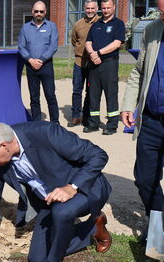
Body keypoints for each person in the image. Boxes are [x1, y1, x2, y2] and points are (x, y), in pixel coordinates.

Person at [0, 120, 112, 262]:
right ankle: (92, 229)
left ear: (4, 145)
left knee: (62, 212)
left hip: (86, 188)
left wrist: (71, 187)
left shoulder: (45, 133)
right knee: (37, 259)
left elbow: (99, 155)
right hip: (50, 201)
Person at [121, 0, 164, 242]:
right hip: (151, 120)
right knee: (145, 178)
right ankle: (159, 224)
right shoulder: (152, 29)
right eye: (160, 12)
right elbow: (139, 70)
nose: (161, 16)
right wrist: (129, 104)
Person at [84, 0, 125, 135]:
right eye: (103, 8)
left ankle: (112, 126)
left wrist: (99, 53)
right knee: (93, 95)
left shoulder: (119, 24)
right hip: (94, 64)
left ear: (113, 7)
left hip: (109, 63)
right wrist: (92, 54)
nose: (106, 10)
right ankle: (93, 123)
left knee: (111, 94)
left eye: (108, 7)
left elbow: (117, 43)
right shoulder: (96, 25)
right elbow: (88, 42)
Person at [18, 1, 59, 124]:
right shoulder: (25, 28)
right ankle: (36, 123)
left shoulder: (51, 26)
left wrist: (41, 60)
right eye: (36, 11)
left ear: (45, 12)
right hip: (31, 66)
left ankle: (55, 122)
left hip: (46, 65)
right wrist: (30, 60)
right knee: (34, 97)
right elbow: (21, 46)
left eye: (41, 11)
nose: (38, 14)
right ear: (32, 12)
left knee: (50, 95)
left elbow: (53, 46)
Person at [68, 0, 99, 128]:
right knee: (77, 90)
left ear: (97, 8)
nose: (90, 11)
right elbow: (74, 41)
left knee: (91, 90)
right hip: (79, 62)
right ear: (84, 9)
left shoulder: (100, 23)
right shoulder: (78, 24)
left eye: (92, 8)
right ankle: (76, 116)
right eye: (88, 8)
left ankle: (87, 116)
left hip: (94, 63)